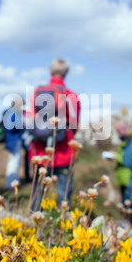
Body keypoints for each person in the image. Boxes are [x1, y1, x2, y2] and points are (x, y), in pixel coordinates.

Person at [28, 58, 80, 209]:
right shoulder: (71, 95)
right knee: (63, 194)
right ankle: (61, 226)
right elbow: (74, 124)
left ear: (50, 71)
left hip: (39, 151)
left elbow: (30, 119)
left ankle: (33, 222)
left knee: (37, 191)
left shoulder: (37, 93)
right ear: (66, 73)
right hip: (63, 152)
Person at [102, 119, 132, 204]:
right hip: (124, 178)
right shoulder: (127, 140)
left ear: (124, 128)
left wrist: (115, 156)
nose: (118, 135)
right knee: (125, 205)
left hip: (130, 179)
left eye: (118, 131)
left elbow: (130, 158)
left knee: (130, 206)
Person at [3, 96, 29, 190]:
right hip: (13, 140)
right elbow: (10, 127)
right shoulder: (12, 113)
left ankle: (14, 180)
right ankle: (11, 183)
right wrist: (22, 123)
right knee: (14, 161)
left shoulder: (12, 112)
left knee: (14, 161)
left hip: (15, 139)